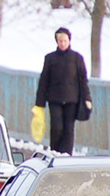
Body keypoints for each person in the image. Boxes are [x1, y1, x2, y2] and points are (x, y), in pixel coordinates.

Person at [34, 26, 91, 154]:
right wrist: (39, 103)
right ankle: (55, 152)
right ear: (57, 42)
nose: (63, 43)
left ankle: (67, 154)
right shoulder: (50, 58)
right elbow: (44, 81)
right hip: (55, 100)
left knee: (68, 129)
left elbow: (83, 80)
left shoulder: (77, 58)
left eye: (65, 41)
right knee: (57, 128)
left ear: (69, 41)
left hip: (72, 100)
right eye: (60, 41)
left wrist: (87, 98)